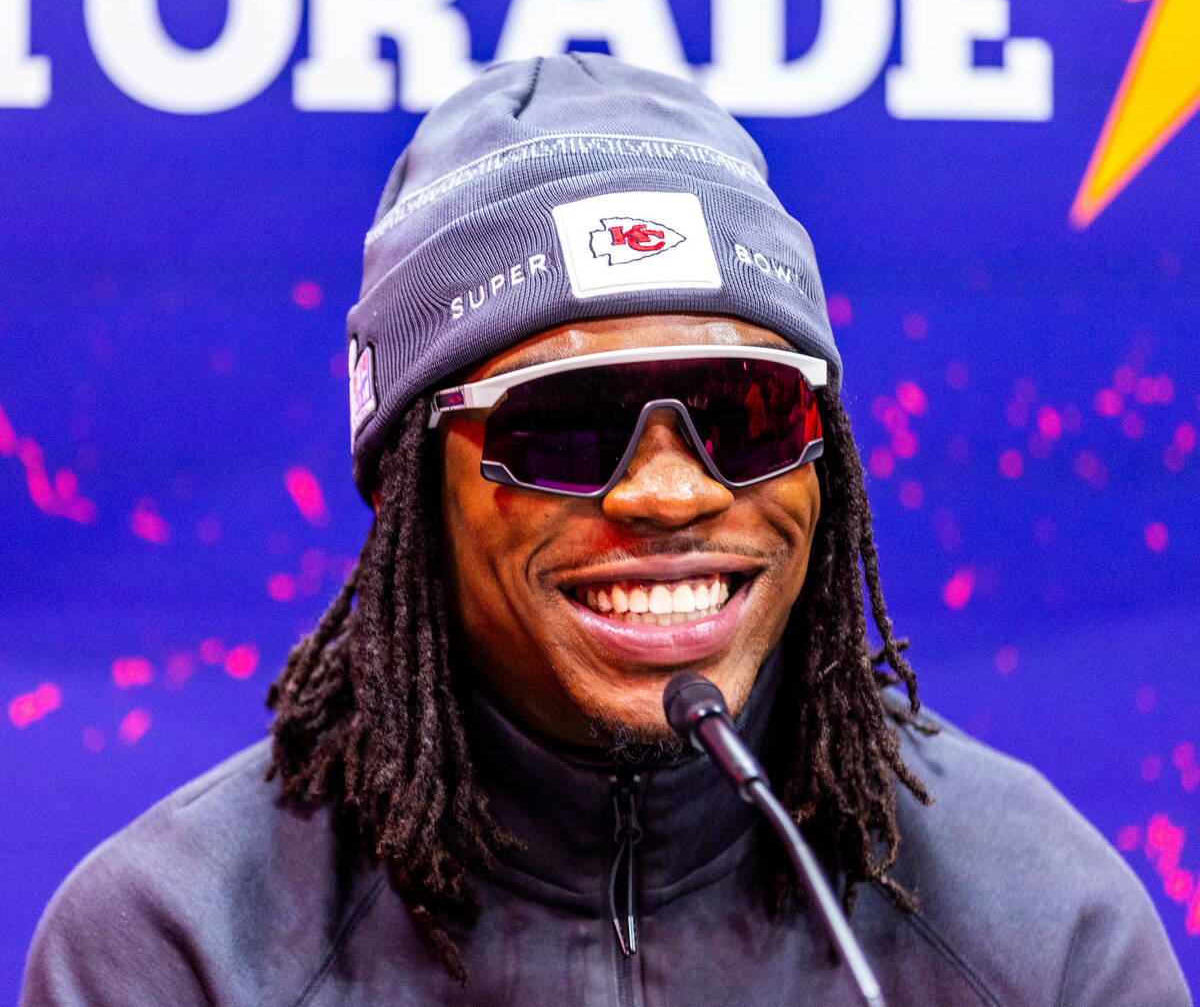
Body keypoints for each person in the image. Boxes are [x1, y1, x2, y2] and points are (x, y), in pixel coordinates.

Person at [22, 54, 1188, 1006]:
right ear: (407, 485)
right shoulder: (176, 952)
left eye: (746, 410)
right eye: (570, 425)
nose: (671, 495)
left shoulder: (1040, 928)